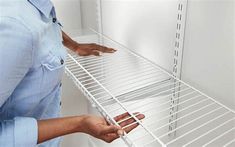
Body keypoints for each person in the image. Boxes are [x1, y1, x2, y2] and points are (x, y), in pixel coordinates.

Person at [0, 0, 144, 146]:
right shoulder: (16, 27)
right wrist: (80, 124)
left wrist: (74, 45)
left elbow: (46, 26)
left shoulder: (35, 8)